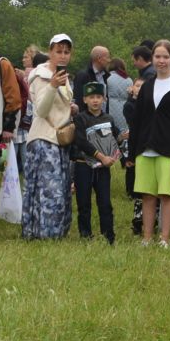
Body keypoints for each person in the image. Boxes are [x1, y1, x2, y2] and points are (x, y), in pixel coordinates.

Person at [128, 39, 170, 248]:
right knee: (148, 194)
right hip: (145, 148)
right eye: (157, 56)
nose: (161, 61)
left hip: (169, 149)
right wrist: (131, 154)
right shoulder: (147, 86)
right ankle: (147, 237)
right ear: (153, 59)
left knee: (166, 194)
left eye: (165, 57)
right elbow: (137, 121)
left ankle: (164, 238)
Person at [22, 34, 75, 240]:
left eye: (66, 52)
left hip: (60, 138)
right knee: (49, 190)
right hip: (44, 138)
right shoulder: (40, 75)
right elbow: (41, 110)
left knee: (60, 187)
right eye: (58, 51)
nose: (62, 56)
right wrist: (53, 86)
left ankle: (57, 231)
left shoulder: (64, 76)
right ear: (50, 51)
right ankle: (44, 233)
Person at [69, 81, 121, 244]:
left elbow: (113, 139)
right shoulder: (80, 119)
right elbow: (81, 142)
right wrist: (100, 156)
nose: (95, 100)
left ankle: (108, 236)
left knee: (105, 202)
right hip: (83, 165)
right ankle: (85, 235)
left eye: (98, 97)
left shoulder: (109, 118)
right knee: (84, 203)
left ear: (104, 99)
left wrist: (115, 153)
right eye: (91, 97)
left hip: (102, 168)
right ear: (84, 99)